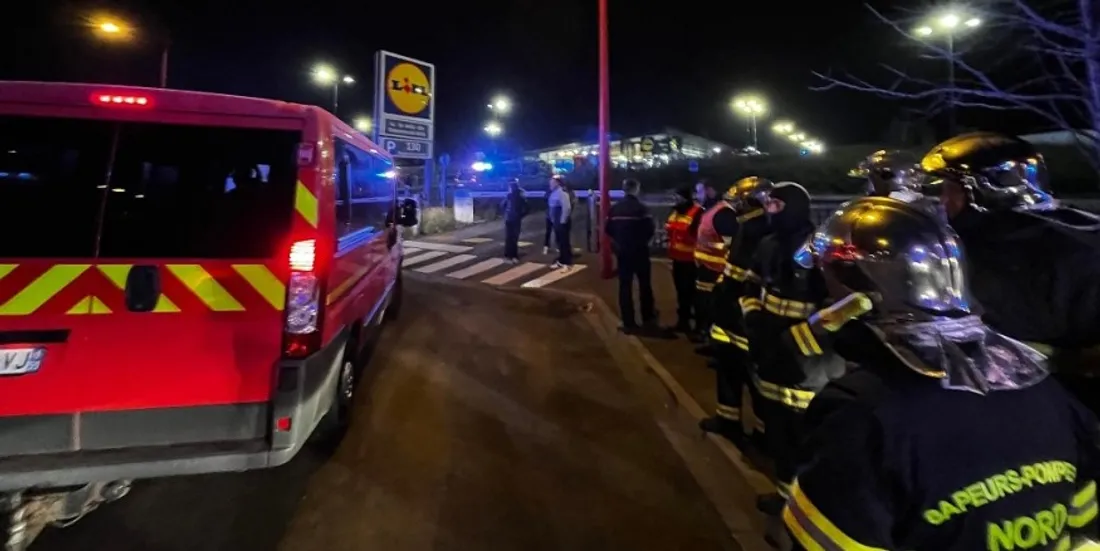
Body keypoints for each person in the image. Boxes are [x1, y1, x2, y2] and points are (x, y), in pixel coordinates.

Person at [782, 196, 1100, 551]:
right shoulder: (1046, 389)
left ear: (853, 291)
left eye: (826, 278)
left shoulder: (862, 414)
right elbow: (1083, 527)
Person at [915, 132, 1100, 416]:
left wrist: (1060, 360)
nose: (942, 201)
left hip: (1046, 409)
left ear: (983, 188)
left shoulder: (990, 249)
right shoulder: (1081, 230)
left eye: (950, 189)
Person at [740, 182, 849, 514]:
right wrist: (754, 319)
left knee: (809, 436)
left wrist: (801, 340)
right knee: (779, 432)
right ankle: (785, 495)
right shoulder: (768, 245)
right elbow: (750, 285)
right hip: (772, 352)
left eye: (776, 206)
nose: (770, 211)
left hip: (810, 360)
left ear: (794, 208)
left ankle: (810, 505)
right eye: (769, 205)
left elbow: (842, 306)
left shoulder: (821, 251)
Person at [698, 176, 772, 446]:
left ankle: (733, 423)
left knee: (738, 372)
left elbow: (735, 275)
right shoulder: (767, 226)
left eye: (739, 201)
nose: (735, 207)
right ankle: (760, 431)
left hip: (738, 313)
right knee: (750, 376)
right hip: (752, 314)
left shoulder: (749, 229)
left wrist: (719, 297)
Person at [693, 182, 743, 350]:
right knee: (718, 309)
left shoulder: (714, 210)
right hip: (717, 269)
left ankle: (708, 338)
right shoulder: (726, 215)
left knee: (707, 306)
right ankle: (716, 344)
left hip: (706, 266)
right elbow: (733, 246)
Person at [606, 179, 657, 333]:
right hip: (640, 250)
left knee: (625, 286)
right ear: (636, 189)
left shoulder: (615, 209)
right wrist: (641, 241)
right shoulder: (642, 209)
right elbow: (650, 229)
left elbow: (608, 229)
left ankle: (628, 322)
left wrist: (619, 243)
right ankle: (647, 318)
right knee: (645, 285)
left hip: (623, 252)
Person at [665, 186, 703, 333]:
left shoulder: (697, 213)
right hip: (677, 259)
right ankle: (683, 322)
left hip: (692, 261)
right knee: (681, 293)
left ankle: (699, 327)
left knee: (694, 295)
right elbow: (670, 230)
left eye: (678, 198)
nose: (675, 201)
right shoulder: (675, 213)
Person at [547, 174, 574, 269]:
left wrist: (562, 221)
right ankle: (563, 258)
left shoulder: (562, 193)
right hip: (557, 221)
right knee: (560, 241)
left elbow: (566, 208)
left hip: (561, 221)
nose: (550, 184)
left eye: (552, 183)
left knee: (563, 241)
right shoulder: (553, 193)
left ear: (557, 183)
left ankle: (565, 261)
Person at [500, 178, 529, 264]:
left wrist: (505, 214)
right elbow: (527, 207)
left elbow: (502, 205)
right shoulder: (520, 195)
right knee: (514, 238)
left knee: (509, 238)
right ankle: (513, 256)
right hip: (515, 219)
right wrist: (521, 215)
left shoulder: (510, 195)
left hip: (509, 218)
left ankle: (509, 255)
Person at [543, 175, 563, 255]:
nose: (551, 184)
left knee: (557, 231)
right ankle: (546, 246)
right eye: (551, 183)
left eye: (553, 182)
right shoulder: (549, 191)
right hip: (549, 214)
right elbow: (545, 200)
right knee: (548, 231)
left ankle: (558, 246)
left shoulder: (560, 192)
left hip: (556, 215)